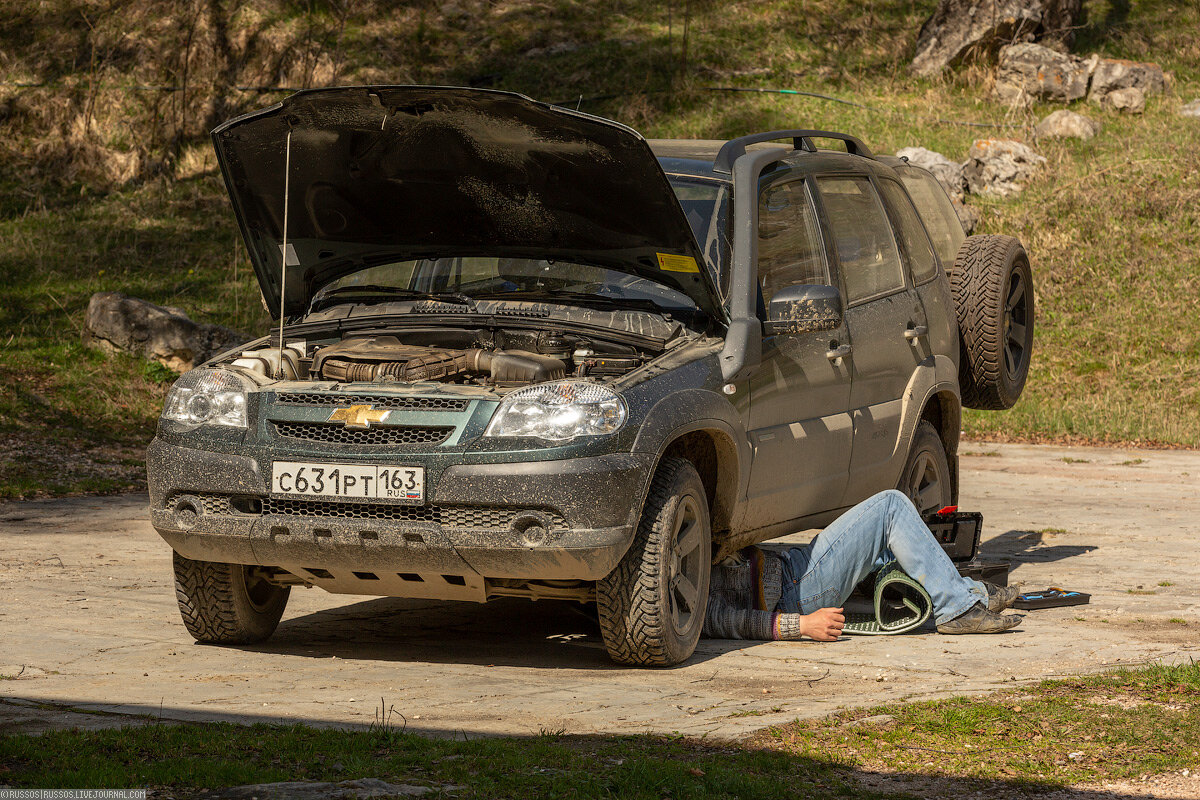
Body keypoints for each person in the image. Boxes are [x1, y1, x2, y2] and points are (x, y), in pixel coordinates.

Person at [703, 489, 1022, 641]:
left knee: (892, 540)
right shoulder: (676, 601)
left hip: (794, 567)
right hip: (798, 591)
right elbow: (729, 623)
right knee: (890, 508)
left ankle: (971, 596)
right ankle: (960, 609)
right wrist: (802, 625)